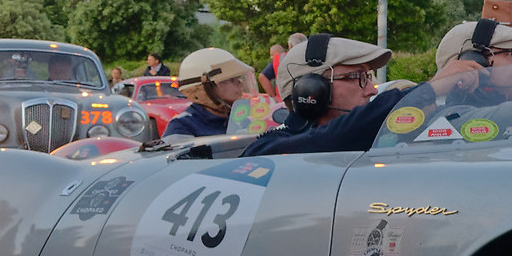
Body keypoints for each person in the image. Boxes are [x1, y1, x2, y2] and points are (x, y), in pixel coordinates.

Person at [244, 34, 399, 155]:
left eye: (368, 77)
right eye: (359, 77)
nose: (373, 90)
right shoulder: (266, 151)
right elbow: (333, 136)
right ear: (312, 90)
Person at [164, 47, 258, 139]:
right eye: (231, 79)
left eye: (238, 78)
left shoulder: (240, 120)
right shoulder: (181, 127)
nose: (240, 83)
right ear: (205, 88)